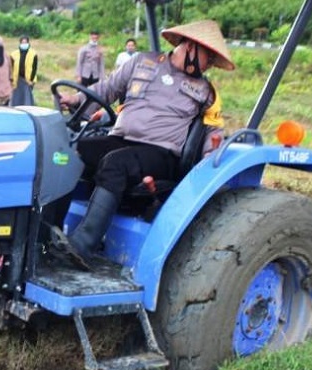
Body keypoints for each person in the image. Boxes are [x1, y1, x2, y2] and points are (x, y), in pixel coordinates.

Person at [53, 20, 235, 269]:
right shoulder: (141, 62)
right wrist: (74, 99)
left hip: (161, 154)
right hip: (121, 139)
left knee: (116, 163)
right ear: (192, 46)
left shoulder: (206, 91)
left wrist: (211, 159)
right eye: (209, 57)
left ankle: (83, 247)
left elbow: (213, 129)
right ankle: (49, 233)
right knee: (70, 152)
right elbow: (107, 89)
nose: (210, 64)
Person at [9, 35, 37, 106]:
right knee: (16, 99)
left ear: (28, 43)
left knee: (27, 99)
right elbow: (11, 67)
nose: (24, 44)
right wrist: (11, 79)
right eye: (22, 42)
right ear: (20, 43)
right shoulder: (13, 54)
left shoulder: (33, 54)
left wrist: (31, 80)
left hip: (27, 80)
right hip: (17, 79)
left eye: (25, 42)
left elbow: (34, 68)